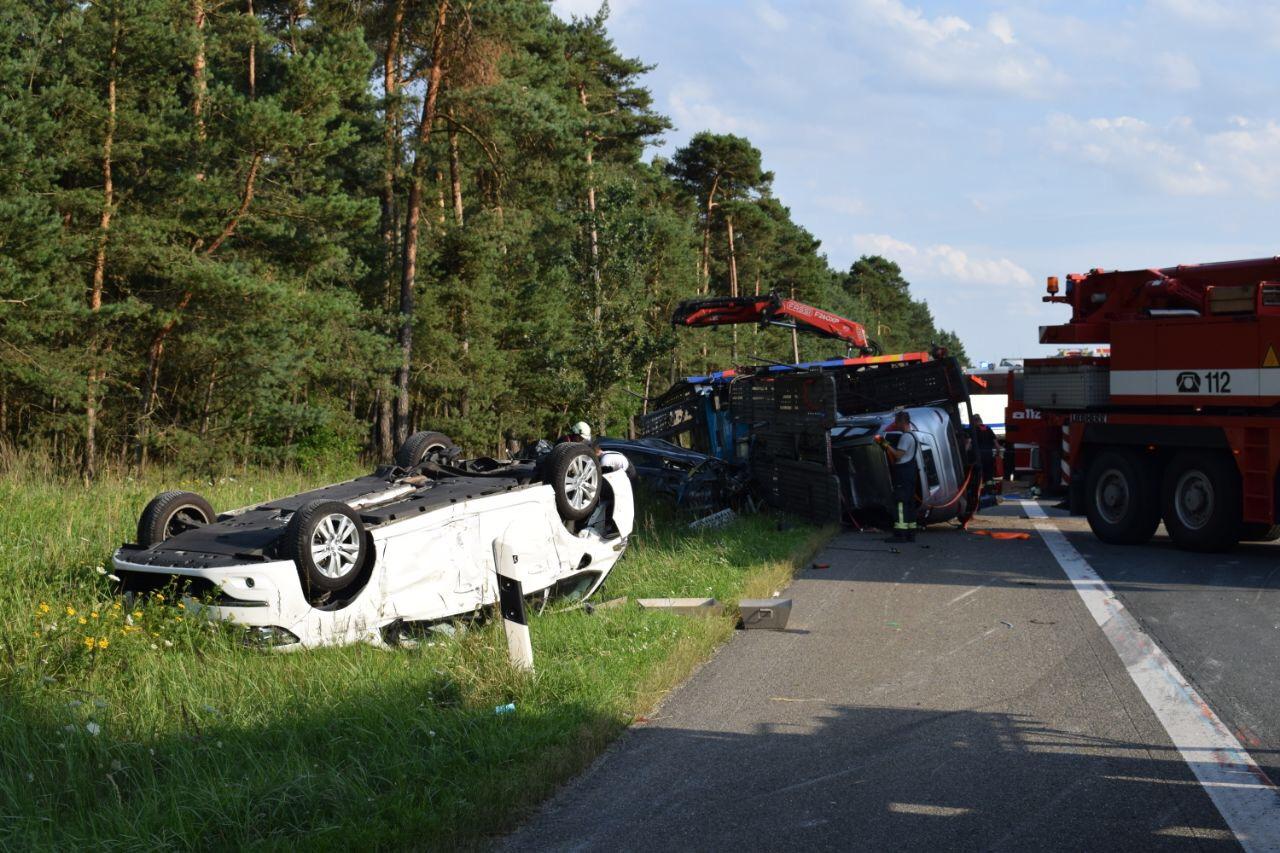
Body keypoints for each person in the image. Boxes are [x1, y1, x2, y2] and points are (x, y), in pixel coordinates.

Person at [876, 410, 921, 542]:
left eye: (897, 422)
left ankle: (900, 533)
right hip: (910, 474)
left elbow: (898, 455)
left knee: (900, 503)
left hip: (903, 475)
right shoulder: (913, 436)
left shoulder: (906, 437)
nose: (895, 424)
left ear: (903, 422)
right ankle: (911, 532)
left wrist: (884, 444)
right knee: (909, 503)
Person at [970, 414, 1000, 487]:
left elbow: (969, 444)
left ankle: (980, 491)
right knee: (989, 477)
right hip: (988, 456)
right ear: (981, 420)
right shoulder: (988, 429)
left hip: (978, 457)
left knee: (978, 477)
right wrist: (997, 454)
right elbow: (997, 446)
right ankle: (989, 491)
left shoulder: (973, 430)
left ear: (973, 422)